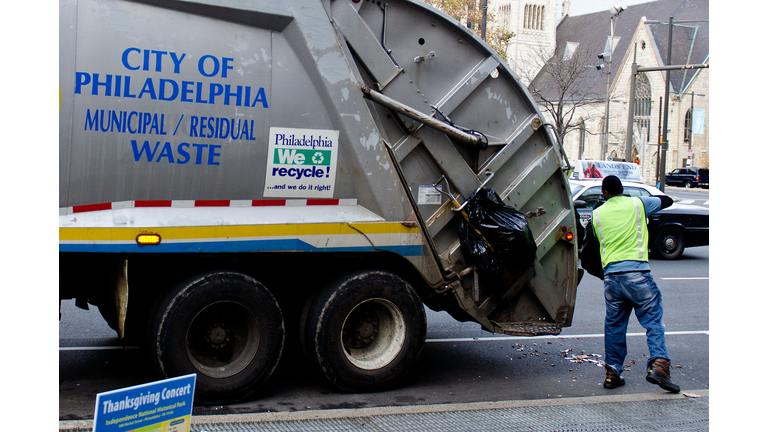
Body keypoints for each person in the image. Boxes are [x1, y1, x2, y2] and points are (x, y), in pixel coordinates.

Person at [591, 175, 679, 392]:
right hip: (637, 274)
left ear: (605, 193)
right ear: (622, 190)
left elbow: (595, 240)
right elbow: (667, 201)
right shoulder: (637, 204)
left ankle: (612, 373)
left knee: (614, 326)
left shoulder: (597, 214)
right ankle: (659, 365)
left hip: (612, 278)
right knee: (653, 321)